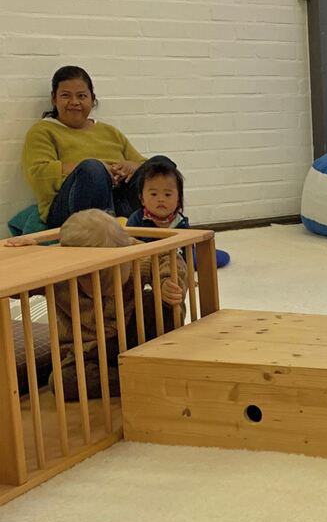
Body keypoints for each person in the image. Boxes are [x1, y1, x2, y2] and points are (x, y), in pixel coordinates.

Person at [4, 209, 187, 398]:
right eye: (100, 286)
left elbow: (169, 256)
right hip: (89, 349)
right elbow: (16, 290)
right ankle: (137, 378)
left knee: (159, 303)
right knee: (62, 381)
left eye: (118, 282)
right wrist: (25, 256)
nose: (111, 291)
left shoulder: (130, 253)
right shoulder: (57, 272)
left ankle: (161, 360)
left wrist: (166, 281)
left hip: (132, 330)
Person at [20, 65, 174, 228]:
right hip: (71, 210)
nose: (74, 102)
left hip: (120, 201)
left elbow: (145, 166)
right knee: (92, 169)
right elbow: (38, 174)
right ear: (54, 99)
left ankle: (158, 225)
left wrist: (131, 167)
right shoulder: (43, 131)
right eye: (66, 96)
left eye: (81, 96)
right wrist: (98, 169)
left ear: (92, 100)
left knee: (162, 164)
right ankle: (108, 230)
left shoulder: (109, 131)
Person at [126, 156, 189, 229]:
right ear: (142, 199)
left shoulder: (181, 223)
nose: (161, 199)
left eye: (167, 194)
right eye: (154, 194)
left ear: (178, 199)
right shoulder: (136, 220)